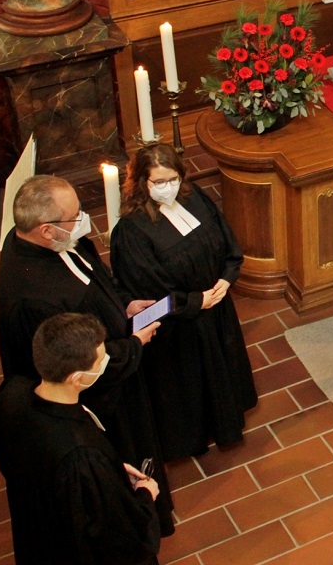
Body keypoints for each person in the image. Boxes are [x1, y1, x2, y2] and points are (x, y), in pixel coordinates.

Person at [0, 174, 174, 533]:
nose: (83, 222)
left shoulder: (59, 243)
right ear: (46, 231)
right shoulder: (33, 299)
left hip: (116, 354)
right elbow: (74, 359)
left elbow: (95, 280)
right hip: (101, 394)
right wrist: (134, 345)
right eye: (75, 216)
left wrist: (122, 305)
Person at [110, 143, 258, 460]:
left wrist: (227, 276)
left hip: (215, 308)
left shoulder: (194, 198)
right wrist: (194, 301)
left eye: (173, 179)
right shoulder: (132, 231)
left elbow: (225, 240)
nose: (169, 188)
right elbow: (148, 295)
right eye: (159, 182)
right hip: (180, 327)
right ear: (142, 183)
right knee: (190, 383)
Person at [0, 313, 162, 565]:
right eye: (101, 359)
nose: (106, 360)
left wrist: (107, 473)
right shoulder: (81, 457)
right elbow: (118, 538)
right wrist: (146, 497)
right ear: (77, 378)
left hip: (36, 527)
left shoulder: (12, 392)